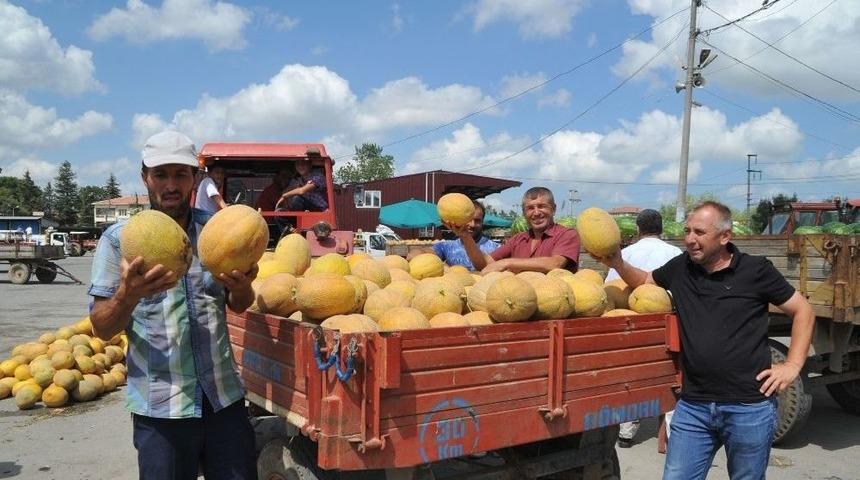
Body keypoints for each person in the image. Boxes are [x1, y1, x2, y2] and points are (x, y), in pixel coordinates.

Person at [596, 201, 814, 480]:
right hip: (694, 404)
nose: (689, 239)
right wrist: (618, 263)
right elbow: (647, 281)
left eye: (699, 232)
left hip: (748, 406)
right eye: (687, 231)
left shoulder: (755, 270)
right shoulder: (681, 267)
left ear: (725, 237)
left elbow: (802, 310)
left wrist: (793, 364)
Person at [88, 131, 258, 480]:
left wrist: (243, 288)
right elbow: (102, 327)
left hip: (223, 399)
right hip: (161, 408)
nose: (171, 184)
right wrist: (128, 294)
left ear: (195, 178)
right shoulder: (119, 241)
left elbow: (238, 305)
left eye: (180, 174)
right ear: (145, 178)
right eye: (161, 174)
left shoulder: (217, 233)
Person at [604, 209, 682, 448]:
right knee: (671, 378)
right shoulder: (676, 253)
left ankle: (627, 431)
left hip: (632, 326)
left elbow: (611, 290)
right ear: (662, 229)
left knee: (632, 376)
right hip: (668, 325)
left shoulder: (625, 254)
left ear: (637, 229)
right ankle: (672, 434)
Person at [454, 186, 580, 274]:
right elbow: (485, 264)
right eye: (530, 208)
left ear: (553, 209)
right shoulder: (518, 239)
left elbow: (555, 264)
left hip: (555, 307)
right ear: (524, 213)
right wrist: (465, 237)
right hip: (519, 306)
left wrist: (507, 263)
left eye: (542, 206)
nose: (536, 213)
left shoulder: (567, 234)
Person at [407, 200, 500, 270]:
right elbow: (412, 256)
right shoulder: (447, 246)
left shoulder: (496, 248)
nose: (472, 224)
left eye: (477, 221)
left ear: (483, 222)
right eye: (469, 219)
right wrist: (442, 265)